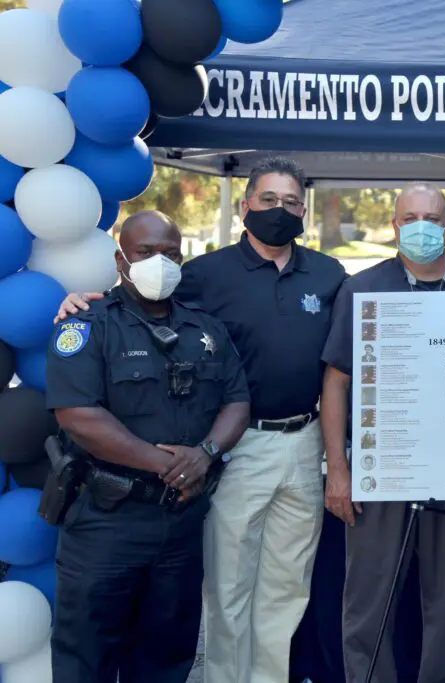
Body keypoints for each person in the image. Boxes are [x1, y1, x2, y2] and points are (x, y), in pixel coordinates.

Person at [55, 157, 346, 683]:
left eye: (291, 203)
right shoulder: (203, 275)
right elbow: (142, 300)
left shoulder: (328, 274)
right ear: (245, 206)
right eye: (268, 200)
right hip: (236, 446)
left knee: (287, 583)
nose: (280, 211)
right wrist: (82, 298)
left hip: (303, 440)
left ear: (303, 209)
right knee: (228, 585)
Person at [46, 211, 250, 683]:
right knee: (86, 657)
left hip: (181, 521)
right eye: (146, 253)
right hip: (106, 522)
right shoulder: (87, 324)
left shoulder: (206, 329)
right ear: (121, 260)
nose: (160, 262)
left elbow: (237, 400)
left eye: (171, 253)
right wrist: (166, 464)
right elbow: (77, 415)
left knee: (166, 655)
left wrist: (204, 454)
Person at [321, 182, 445, 683]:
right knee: (369, 598)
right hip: (380, 465)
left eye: (432, 218)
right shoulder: (363, 287)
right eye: (409, 217)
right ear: (395, 225)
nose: (421, 226)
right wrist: (338, 470)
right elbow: (336, 384)